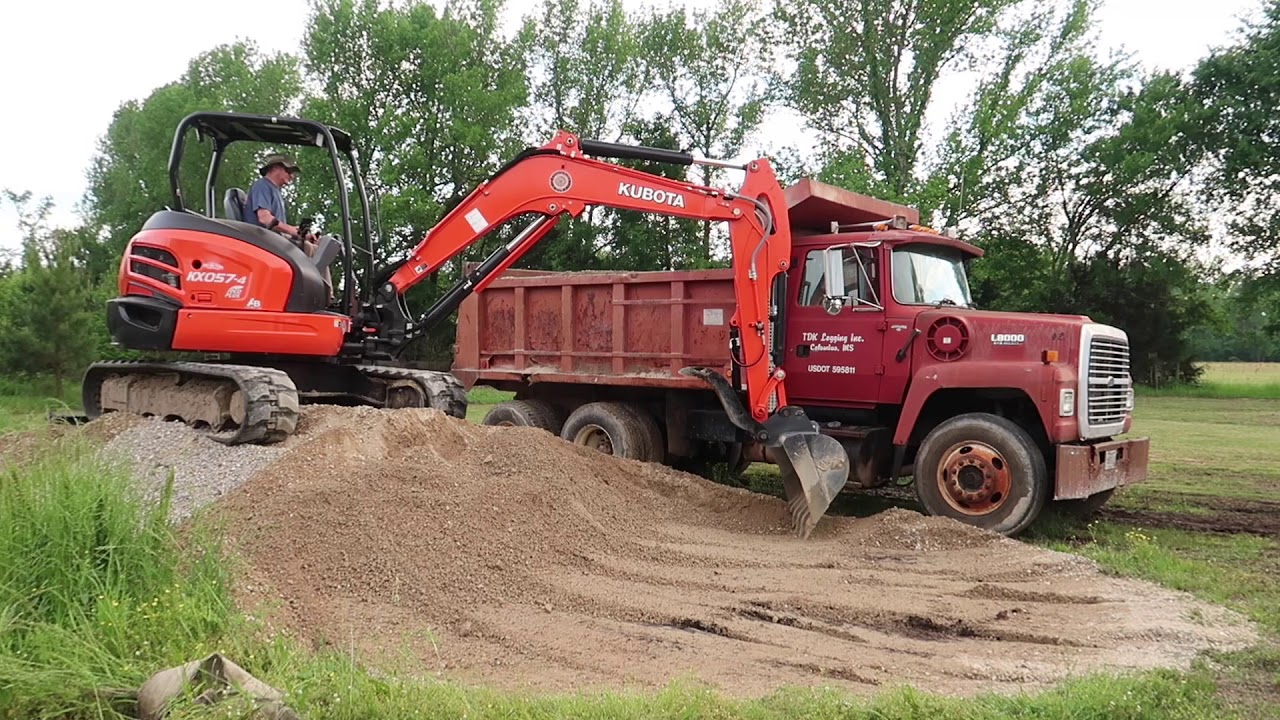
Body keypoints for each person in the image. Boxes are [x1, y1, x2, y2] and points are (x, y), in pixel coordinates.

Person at [243, 153, 332, 302]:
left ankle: (324, 296)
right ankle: (320, 298)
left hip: (273, 239)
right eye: (288, 171)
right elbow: (264, 218)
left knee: (319, 247)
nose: (291, 176)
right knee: (313, 251)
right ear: (275, 168)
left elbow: (279, 226)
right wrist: (291, 231)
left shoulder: (275, 191)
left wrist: (300, 234)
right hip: (262, 240)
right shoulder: (262, 186)